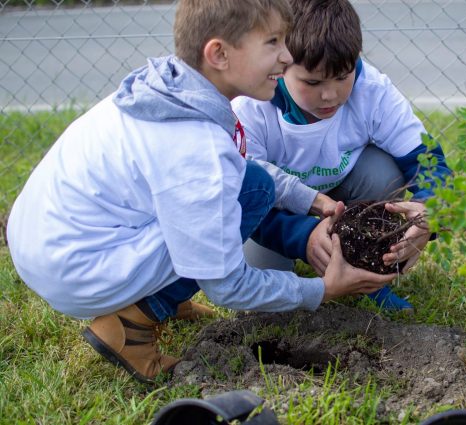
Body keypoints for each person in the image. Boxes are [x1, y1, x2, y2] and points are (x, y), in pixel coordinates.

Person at [6, 0, 396, 384]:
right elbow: (226, 284)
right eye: (274, 42)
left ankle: (163, 299)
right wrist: (322, 290)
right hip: (79, 271)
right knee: (247, 195)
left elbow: (234, 167)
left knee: (249, 184)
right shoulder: (197, 148)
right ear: (219, 54)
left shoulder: (171, 90)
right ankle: (131, 326)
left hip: (49, 243)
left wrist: (310, 199)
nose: (287, 56)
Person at [232, 0, 452, 311]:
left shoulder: (373, 90)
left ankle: (367, 271)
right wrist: (303, 237)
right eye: (313, 82)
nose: (330, 95)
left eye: (342, 77)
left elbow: (428, 161)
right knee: (266, 302)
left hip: (344, 192)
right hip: (276, 205)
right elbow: (242, 197)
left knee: (384, 172)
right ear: (281, 64)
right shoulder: (250, 104)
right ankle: (312, 258)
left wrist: (430, 213)